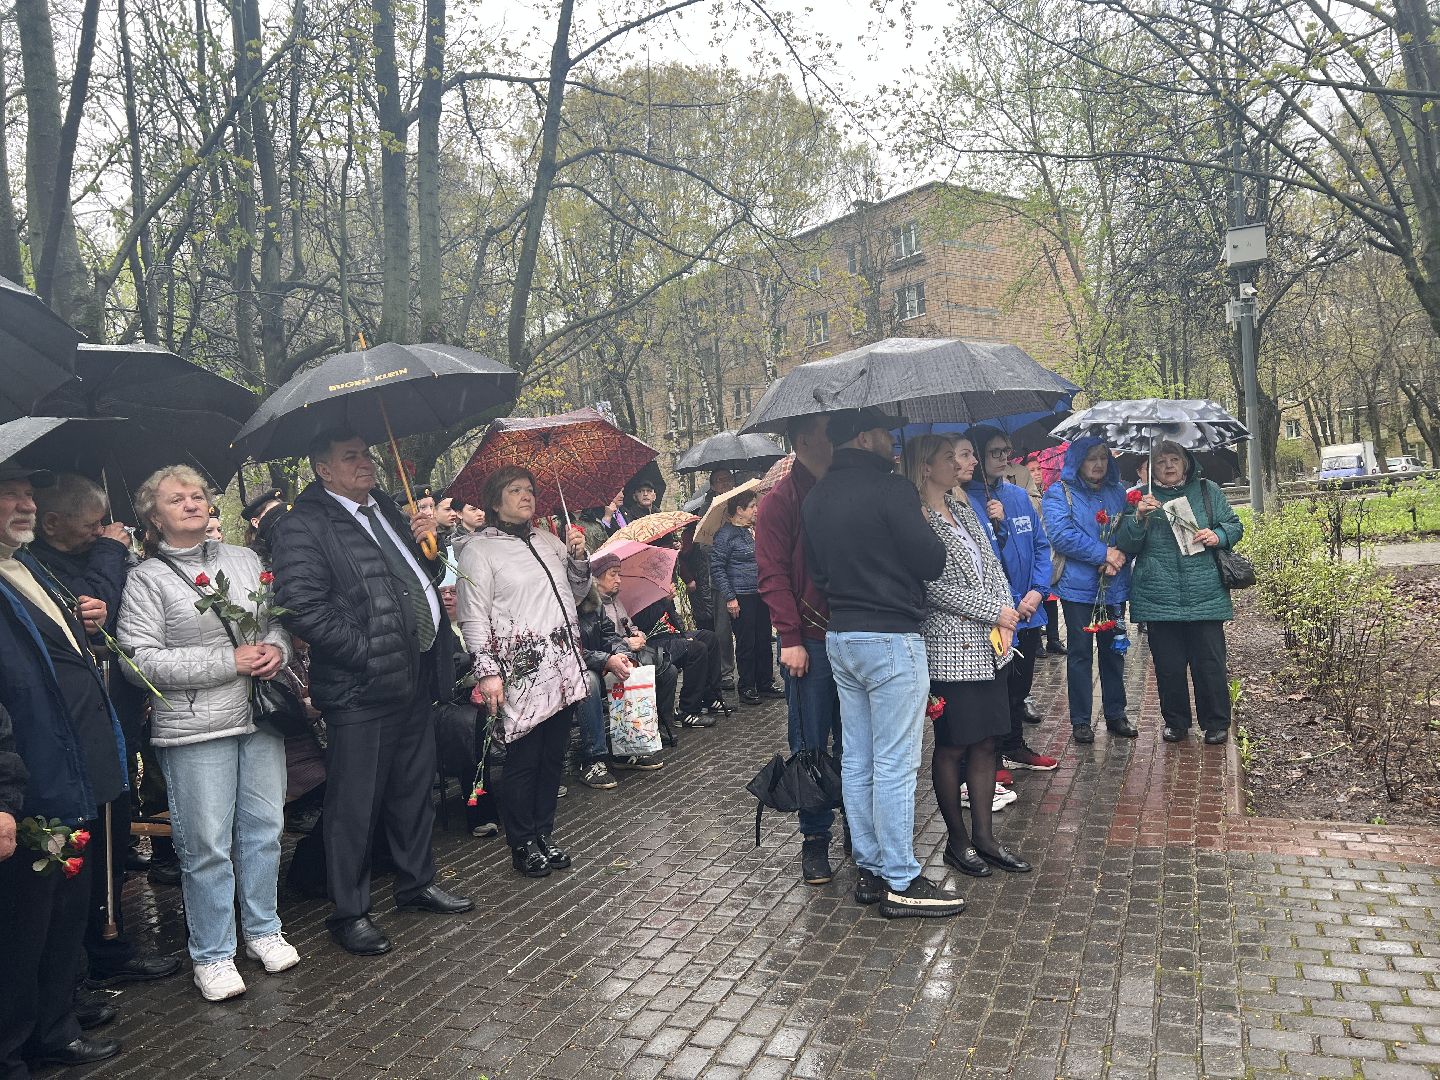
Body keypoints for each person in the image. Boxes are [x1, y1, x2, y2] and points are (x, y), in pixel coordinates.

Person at [270, 430, 472, 957]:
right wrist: (363, 650)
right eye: (350, 457)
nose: (366, 465)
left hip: (415, 678)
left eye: (367, 455)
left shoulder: (382, 507)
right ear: (322, 468)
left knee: (413, 789)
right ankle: (349, 911)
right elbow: (301, 606)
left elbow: (411, 582)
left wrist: (429, 549)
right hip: (362, 688)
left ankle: (416, 883)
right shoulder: (303, 525)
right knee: (354, 806)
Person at [116, 465, 298, 1001]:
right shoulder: (145, 579)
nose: (193, 504)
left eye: (199, 496)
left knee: (264, 830)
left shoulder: (245, 560)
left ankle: (263, 929)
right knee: (207, 847)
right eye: (178, 499)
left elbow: (275, 622)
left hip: (259, 718)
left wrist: (275, 650)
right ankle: (213, 953)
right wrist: (229, 661)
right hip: (196, 728)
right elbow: (138, 660)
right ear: (154, 516)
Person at [802, 407, 964, 919]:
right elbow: (931, 561)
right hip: (892, 636)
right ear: (866, 436)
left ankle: (871, 868)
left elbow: (818, 570)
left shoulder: (817, 494)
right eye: (888, 435)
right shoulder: (893, 490)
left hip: (841, 635)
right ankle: (901, 878)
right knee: (895, 763)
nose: (894, 443)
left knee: (859, 757)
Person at [27, 473, 181, 990]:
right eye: (90, 526)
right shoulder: (41, 564)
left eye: (102, 524)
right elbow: (86, 610)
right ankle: (99, 949)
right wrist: (109, 556)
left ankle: (103, 939)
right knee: (88, 843)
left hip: (114, 717)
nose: (101, 533)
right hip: (77, 729)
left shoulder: (88, 554)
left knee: (114, 831)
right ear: (52, 524)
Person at [0, 459, 128, 1073]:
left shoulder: (26, 568)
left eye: (29, 494)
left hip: (69, 768)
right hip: (32, 777)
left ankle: (54, 1024)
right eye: (11, 496)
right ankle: (16, 1046)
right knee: (25, 922)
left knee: (61, 908)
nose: (25, 505)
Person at [906, 434, 1033, 878]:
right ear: (926, 467)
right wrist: (992, 610)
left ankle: (986, 838)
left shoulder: (961, 508)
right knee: (953, 746)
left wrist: (1007, 614)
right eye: (948, 456)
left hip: (988, 647)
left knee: (986, 742)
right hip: (949, 650)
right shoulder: (916, 518)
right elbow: (931, 586)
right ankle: (957, 844)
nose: (959, 463)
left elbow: (993, 565)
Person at [455, 466, 591, 879]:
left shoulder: (548, 540)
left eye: (530, 490)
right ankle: (522, 842)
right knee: (523, 759)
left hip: (564, 666)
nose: (526, 496)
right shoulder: (479, 551)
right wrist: (487, 672)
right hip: (521, 671)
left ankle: (544, 834)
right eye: (515, 490)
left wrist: (579, 557)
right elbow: (473, 616)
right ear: (495, 502)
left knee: (553, 756)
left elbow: (576, 592)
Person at [755, 414, 843, 887]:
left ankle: (858, 825)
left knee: (855, 742)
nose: (837, 440)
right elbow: (771, 575)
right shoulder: (779, 503)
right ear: (805, 438)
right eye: (830, 432)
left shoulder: (847, 490)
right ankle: (815, 840)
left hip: (855, 636)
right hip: (809, 642)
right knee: (810, 744)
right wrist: (789, 638)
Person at [1116, 442, 1244, 745]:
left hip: (1205, 593)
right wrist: (1138, 518)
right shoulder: (1138, 498)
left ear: (1186, 463)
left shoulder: (1206, 490)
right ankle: (1176, 722)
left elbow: (1234, 525)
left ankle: (1215, 722)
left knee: (1209, 663)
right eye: (1161, 462)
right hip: (1158, 595)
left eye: (1175, 459)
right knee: (1168, 666)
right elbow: (1126, 544)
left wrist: (1219, 535)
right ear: (1150, 467)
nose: (1169, 466)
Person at [961, 426, 1060, 774]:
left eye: (1006, 451)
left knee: (1020, 686)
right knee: (996, 690)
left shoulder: (1017, 496)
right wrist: (995, 526)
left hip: (1029, 611)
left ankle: (1014, 745)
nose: (1005, 458)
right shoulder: (963, 503)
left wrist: (1038, 590)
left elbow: (1040, 546)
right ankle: (992, 755)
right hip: (999, 616)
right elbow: (980, 565)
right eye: (995, 452)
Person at [1042, 438, 1134, 744]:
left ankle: (1116, 713)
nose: (1098, 464)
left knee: (1114, 650)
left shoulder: (1117, 491)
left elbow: (1127, 531)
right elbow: (1061, 534)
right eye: (1091, 458)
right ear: (1077, 461)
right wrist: (1102, 554)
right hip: (1078, 587)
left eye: (1103, 458)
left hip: (1114, 585)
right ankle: (1081, 720)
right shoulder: (1060, 493)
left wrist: (1118, 555)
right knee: (1080, 652)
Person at [710, 489, 780, 706]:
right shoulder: (725, 535)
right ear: (739, 510)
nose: (756, 510)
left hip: (760, 593)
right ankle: (747, 685)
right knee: (746, 642)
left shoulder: (752, 530)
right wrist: (730, 597)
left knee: (763, 638)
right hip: (741, 595)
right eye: (752, 506)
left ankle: (765, 682)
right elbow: (717, 568)